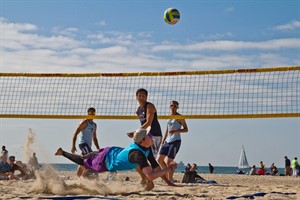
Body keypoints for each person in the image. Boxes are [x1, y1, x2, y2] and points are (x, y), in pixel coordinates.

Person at [56, 127, 178, 191]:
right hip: (107, 161)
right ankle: (62, 152)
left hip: (114, 151)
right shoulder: (137, 154)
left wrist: (168, 183)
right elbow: (151, 175)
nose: (152, 137)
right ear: (143, 141)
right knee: (83, 161)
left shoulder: (146, 148)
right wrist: (169, 168)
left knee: (88, 159)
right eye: (149, 136)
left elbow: (156, 167)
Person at [157, 100, 188, 182]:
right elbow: (167, 129)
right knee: (159, 160)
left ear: (177, 107)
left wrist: (176, 131)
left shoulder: (180, 117)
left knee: (169, 161)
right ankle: (167, 175)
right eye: (171, 105)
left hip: (176, 141)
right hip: (167, 141)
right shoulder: (168, 116)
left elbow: (186, 129)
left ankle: (170, 179)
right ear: (169, 106)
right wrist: (163, 139)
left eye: (175, 106)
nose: (173, 107)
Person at [127, 88, 162, 159]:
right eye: (140, 95)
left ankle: (155, 169)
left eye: (143, 96)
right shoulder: (138, 110)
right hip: (146, 135)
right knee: (140, 156)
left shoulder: (150, 106)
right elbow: (143, 124)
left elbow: (148, 123)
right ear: (136, 97)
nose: (141, 97)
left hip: (155, 135)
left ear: (146, 97)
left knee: (151, 158)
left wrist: (136, 132)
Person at [71, 107, 100, 177]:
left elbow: (95, 138)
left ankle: (78, 176)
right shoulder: (84, 122)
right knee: (90, 159)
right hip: (82, 143)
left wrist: (98, 148)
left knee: (83, 161)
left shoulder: (94, 125)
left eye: (93, 113)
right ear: (88, 113)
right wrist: (73, 146)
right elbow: (75, 134)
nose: (92, 114)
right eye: (90, 113)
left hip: (88, 145)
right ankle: (83, 177)